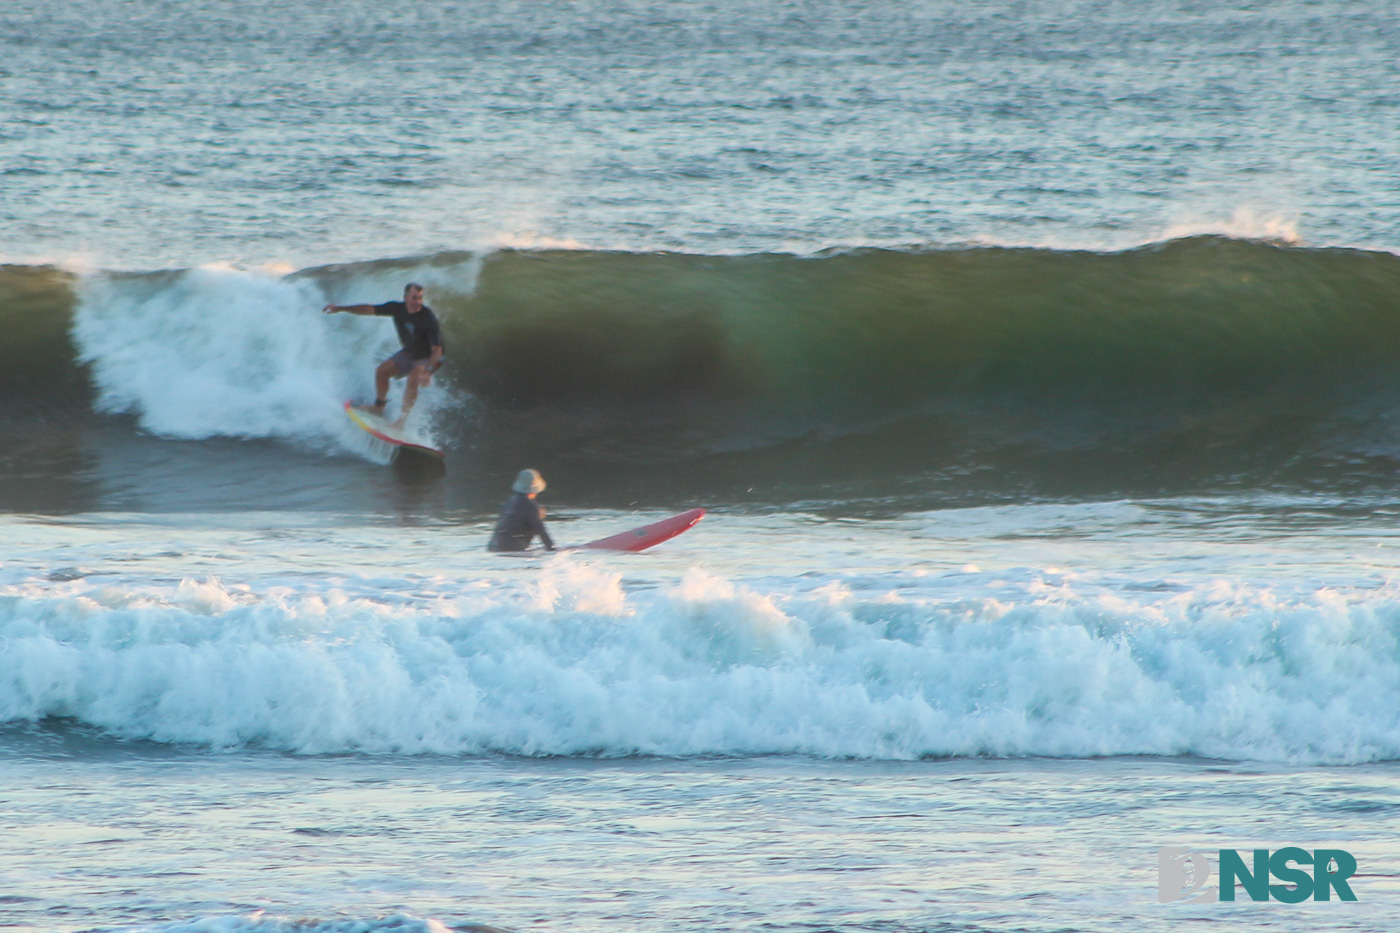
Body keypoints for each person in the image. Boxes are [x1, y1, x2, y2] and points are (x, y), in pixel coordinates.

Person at [324, 282, 444, 427]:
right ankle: (378, 408)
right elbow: (368, 309)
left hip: (430, 357)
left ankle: (402, 420)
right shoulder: (397, 309)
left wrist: (428, 371)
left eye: (420, 298)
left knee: (414, 377)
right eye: (414, 298)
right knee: (381, 372)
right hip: (411, 352)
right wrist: (340, 308)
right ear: (405, 297)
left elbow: (437, 350)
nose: (418, 302)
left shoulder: (427, 317)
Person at [488, 469, 556, 552]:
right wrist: (553, 550)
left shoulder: (509, 501)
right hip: (514, 550)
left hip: (494, 547)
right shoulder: (530, 505)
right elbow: (542, 532)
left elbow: (499, 528)